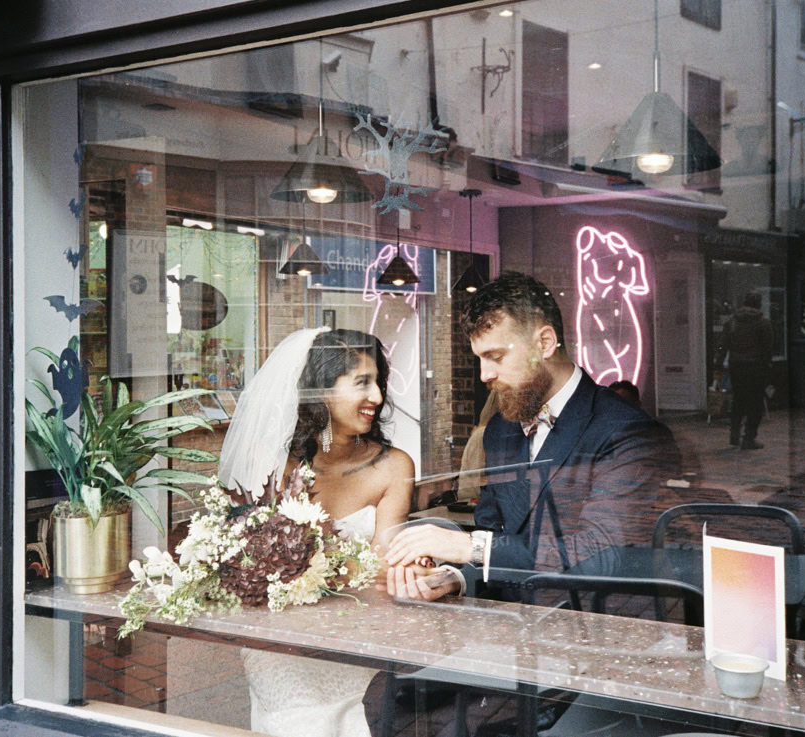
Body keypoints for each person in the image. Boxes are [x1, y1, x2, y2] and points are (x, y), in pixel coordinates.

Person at [384, 271, 679, 601]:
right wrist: (451, 578)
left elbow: (600, 556)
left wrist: (467, 546)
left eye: (496, 357)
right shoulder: (500, 430)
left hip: (595, 636)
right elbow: (495, 540)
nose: (485, 375)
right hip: (511, 634)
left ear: (545, 343)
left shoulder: (629, 432)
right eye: (479, 359)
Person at [218, 327, 415, 737]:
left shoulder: (394, 467)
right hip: (281, 648)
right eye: (362, 382)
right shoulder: (264, 463)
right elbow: (234, 560)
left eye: (378, 382)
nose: (377, 397)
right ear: (319, 391)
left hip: (357, 642)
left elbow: (384, 569)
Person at [716, 291, 773, 450]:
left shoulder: (732, 321)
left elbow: (722, 344)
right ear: (759, 304)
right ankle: (749, 438)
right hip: (756, 366)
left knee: (738, 400)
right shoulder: (763, 323)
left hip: (736, 365)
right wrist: (767, 367)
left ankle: (734, 434)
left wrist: (719, 362)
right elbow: (767, 349)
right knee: (755, 404)